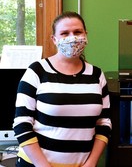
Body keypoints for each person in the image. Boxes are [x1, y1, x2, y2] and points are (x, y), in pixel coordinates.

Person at [13, 11, 112, 167]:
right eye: (64, 33)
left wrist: (91, 163)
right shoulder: (37, 71)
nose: (72, 37)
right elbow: (21, 123)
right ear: (54, 39)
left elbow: (104, 123)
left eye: (77, 32)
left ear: (86, 35)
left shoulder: (97, 75)